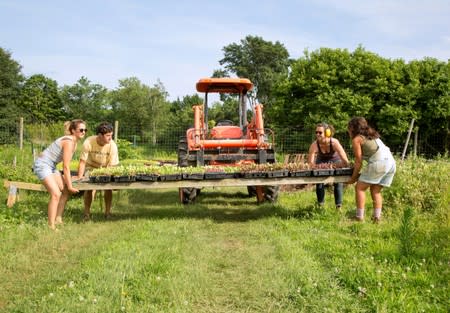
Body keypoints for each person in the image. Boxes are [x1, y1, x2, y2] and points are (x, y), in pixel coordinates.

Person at [33, 119, 87, 230]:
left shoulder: (74, 143)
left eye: (85, 130)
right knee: (56, 194)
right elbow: (66, 167)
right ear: (73, 130)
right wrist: (71, 185)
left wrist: (72, 180)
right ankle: (51, 226)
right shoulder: (68, 142)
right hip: (43, 165)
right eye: (81, 130)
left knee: (65, 191)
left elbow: (65, 164)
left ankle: (58, 219)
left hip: (51, 166)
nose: (83, 132)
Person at [347, 117, 396, 223]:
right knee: (375, 190)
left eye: (349, 128)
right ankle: (376, 218)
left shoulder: (357, 139)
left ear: (352, 128)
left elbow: (358, 162)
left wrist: (353, 178)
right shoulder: (373, 135)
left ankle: (359, 217)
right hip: (391, 163)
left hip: (380, 163)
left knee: (360, 188)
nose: (348, 131)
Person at [77, 122, 119, 220]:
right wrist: (79, 178)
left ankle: (108, 213)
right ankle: (86, 214)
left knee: (108, 187)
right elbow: (82, 162)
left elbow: (112, 166)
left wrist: (106, 176)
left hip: (106, 168)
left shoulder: (112, 146)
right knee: (89, 188)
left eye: (111, 135)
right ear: (100, 135)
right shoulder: (88, 142)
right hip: (90, 167)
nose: (110, 138)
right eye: (108, 135)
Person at [308, 122, 349, 209]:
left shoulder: (334, 142)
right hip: (321, 161)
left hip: (335, 160)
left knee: (338, 181)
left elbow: (343, 157)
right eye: (316, 132)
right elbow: (310, 163)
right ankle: (320, 205)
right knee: (319, 182)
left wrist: (345, 166)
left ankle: (338, 206)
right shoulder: (314, 145)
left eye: (320, 132)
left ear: (327, 133)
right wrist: (315, 167)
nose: (317, 134)